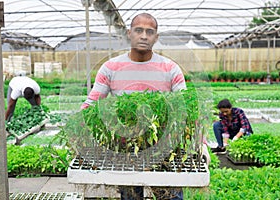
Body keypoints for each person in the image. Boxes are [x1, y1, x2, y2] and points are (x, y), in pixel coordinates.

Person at [81, 13, 209, 200]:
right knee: (130, 196)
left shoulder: (170, 68)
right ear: (129, 33)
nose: (144, 36)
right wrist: (76, 133)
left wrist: (202, 144)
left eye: (150, 32)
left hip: (164, 148)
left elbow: (187, 108)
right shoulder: (111, 67)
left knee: (170, 196)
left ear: (156, 37)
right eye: (138, 30)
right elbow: (91, 104)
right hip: (126, 149)